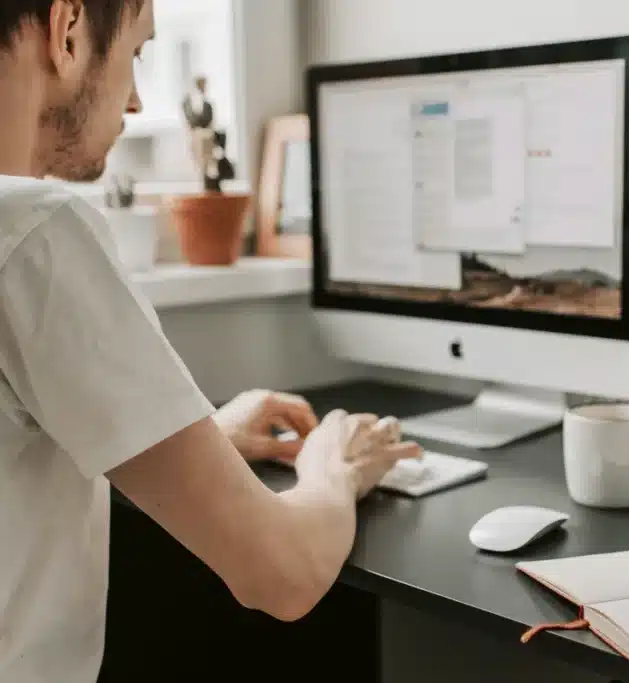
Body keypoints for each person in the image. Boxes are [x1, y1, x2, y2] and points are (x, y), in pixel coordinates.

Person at [0, 2, 422, 682]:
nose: (136, 101)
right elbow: (284, 575)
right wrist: (332, 469)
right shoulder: (34, 232)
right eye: (136, 53)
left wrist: (202, 443)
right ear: (66, 30)